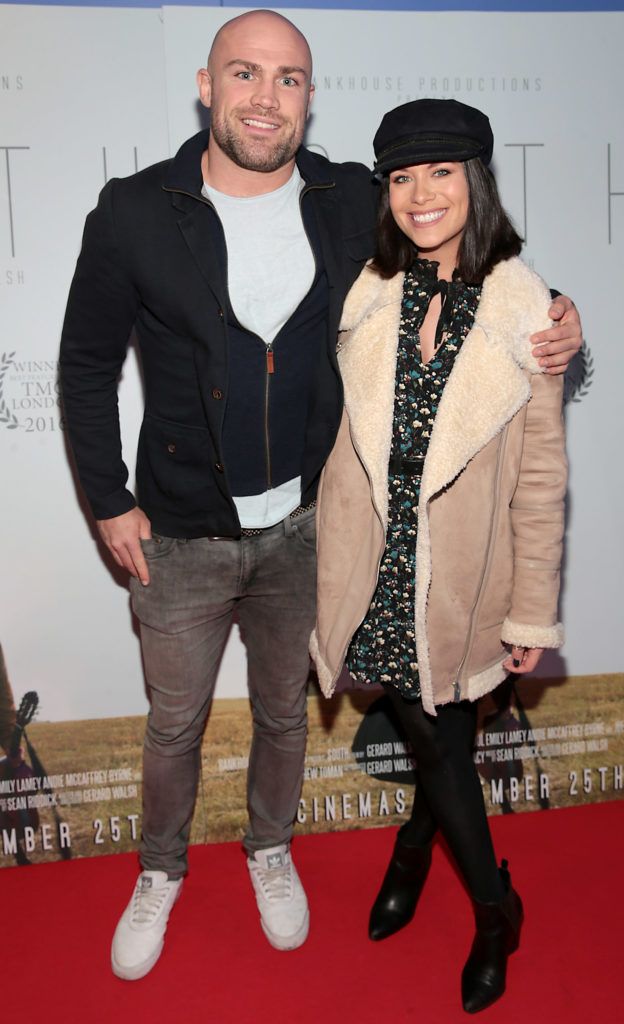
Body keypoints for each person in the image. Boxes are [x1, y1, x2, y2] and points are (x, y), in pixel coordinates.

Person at [59, 9, 580, 982]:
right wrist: (107, 497)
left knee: (287, 714)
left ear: (310, 95)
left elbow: (469, 262)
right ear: (207, 87)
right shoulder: (134, 210)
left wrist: (561, 319)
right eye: (246, 75)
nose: (267, 97)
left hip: (311, 532)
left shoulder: (347, 201)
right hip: (177, 529)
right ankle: (161, 869)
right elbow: (85, 364)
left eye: (290, 78)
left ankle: (269, 848)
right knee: (174, 722)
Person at [310, 98, 567, 1014]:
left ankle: (489, 909)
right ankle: (441, 865)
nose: (421, 194)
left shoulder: (526, 307)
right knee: (437, 736)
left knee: (442, 737)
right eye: (402, 177)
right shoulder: (367, 288)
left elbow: (539, 482)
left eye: (442, 173)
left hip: (465, 583)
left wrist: (533, 610)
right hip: (379, 569)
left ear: (476, 181)